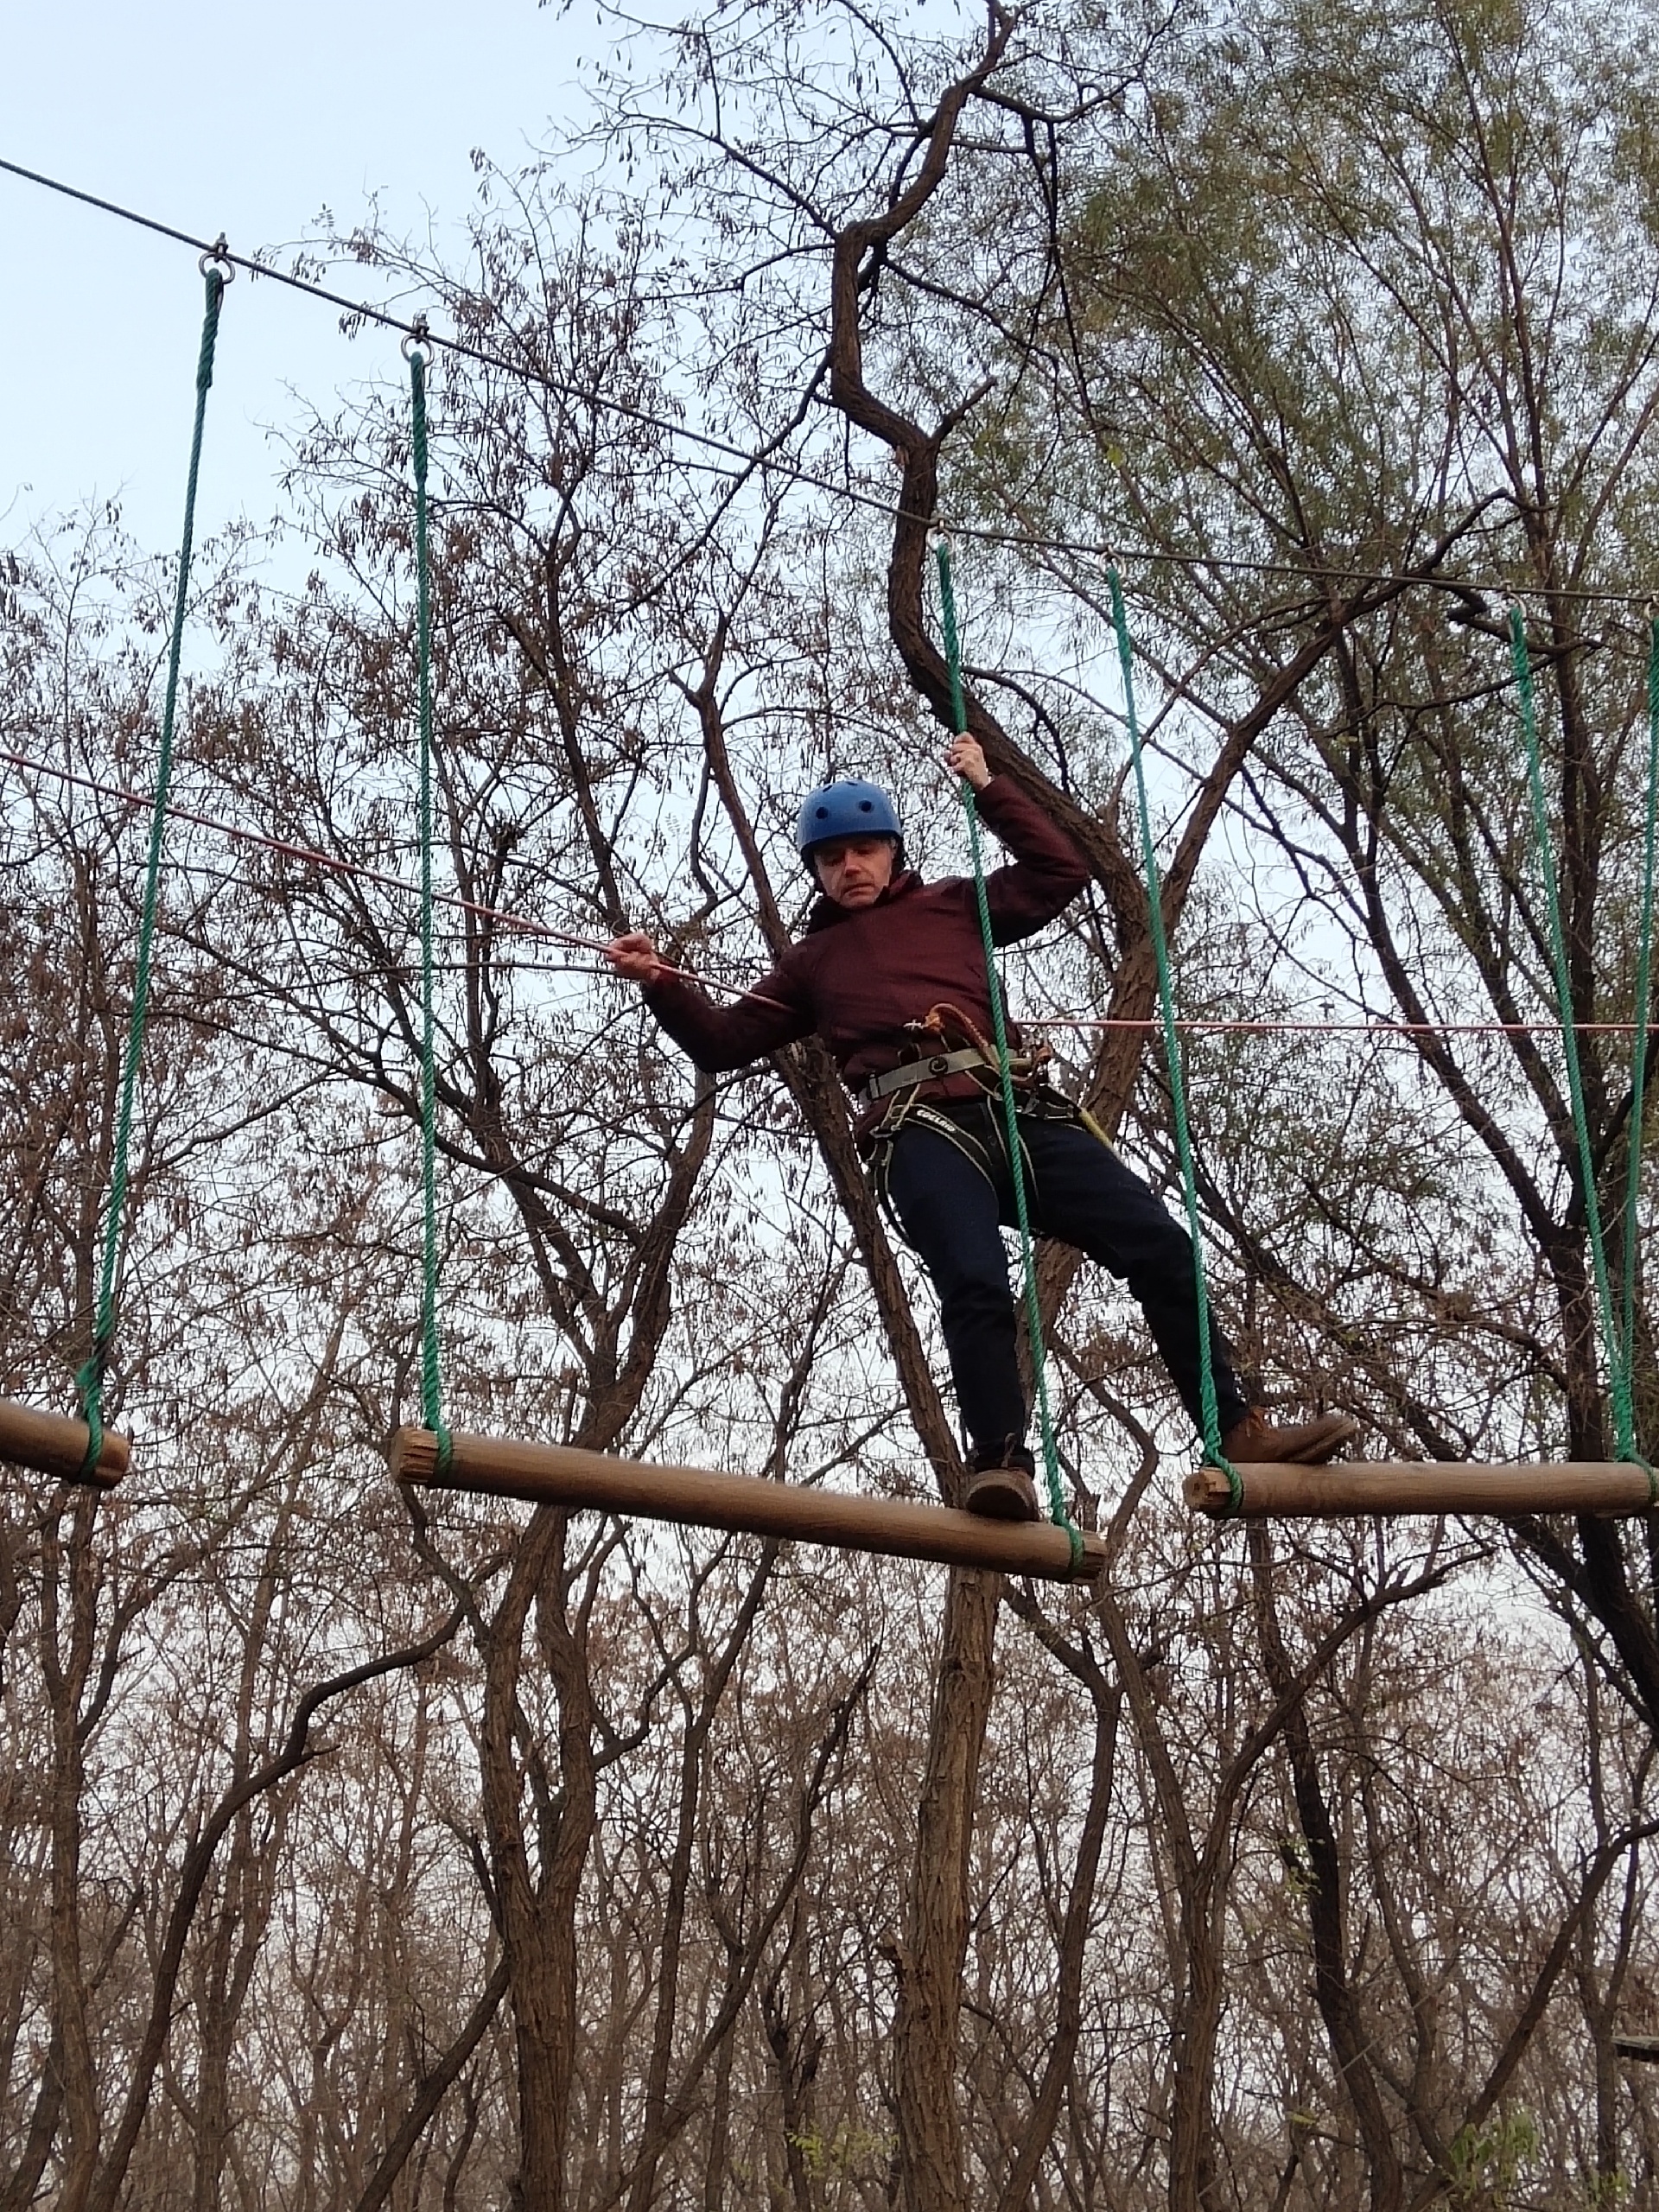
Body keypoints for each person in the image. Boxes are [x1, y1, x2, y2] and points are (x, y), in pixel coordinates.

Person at [605, 738, 1356, 1519]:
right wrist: (661, 981)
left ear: (894, 853)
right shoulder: (811, 963)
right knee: (973, 1277)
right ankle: (1000, 1462)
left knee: (1160, 1241)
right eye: (831, 858)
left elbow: (1059, 874)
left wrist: (989, 788)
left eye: (865, 850)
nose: (849, 867)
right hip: (920, 1129)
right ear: (816, 872)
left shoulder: (954, 906)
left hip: (1013, 1109)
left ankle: (1232, 1427)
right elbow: (720, 1044)